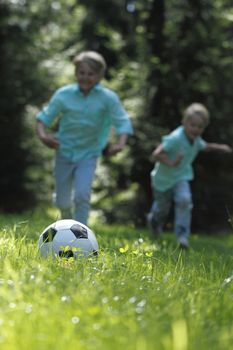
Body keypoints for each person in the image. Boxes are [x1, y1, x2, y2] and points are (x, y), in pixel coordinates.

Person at [36, 51, 133, 225]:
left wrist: (120, 143)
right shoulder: (63, 95)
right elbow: (44, 118)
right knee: (62, 201)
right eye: (82, 72)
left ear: (100, 76)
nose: (86, 78)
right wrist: (43, 136)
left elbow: (122, 121)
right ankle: (67, 226)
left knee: (82, 195)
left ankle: (81, 235)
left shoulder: (107, 98)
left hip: (89, 153)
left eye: (91, 74)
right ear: (76, 73)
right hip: (64, 151)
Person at [147, 103, 232, 249]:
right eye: (193, 125)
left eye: (200, 127)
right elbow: (155, 155)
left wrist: (221, 147)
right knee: (161, 210)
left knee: (184, 200)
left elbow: (205, 146)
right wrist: (172, 162)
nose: (196, 129)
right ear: (184, 122)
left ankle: (182, 237)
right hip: (163, 180)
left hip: (181, 177)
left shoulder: (196, 140)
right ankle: (154, 222)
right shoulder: (175, 138)